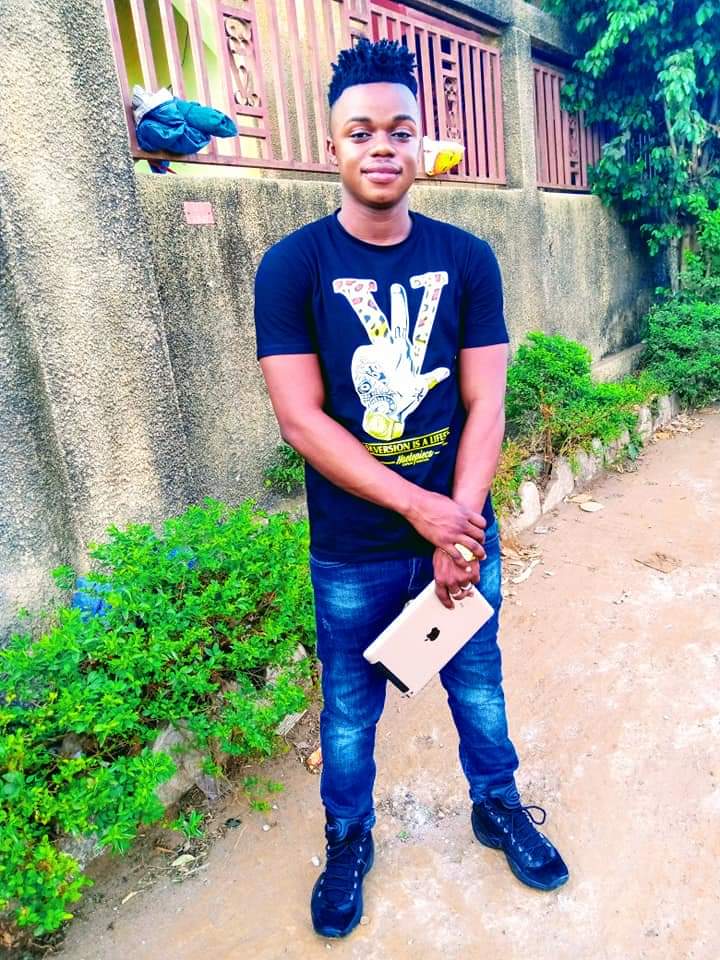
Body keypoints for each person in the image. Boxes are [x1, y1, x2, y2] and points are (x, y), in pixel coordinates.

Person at [254, 38, 568, 940]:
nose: (382, 146)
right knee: (351, 712)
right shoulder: (293, 266)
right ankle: (349, 838)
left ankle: (497, 805)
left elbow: (485, 401)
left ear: (422, 143)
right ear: (334, 147)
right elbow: (301, 420)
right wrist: (418, 508)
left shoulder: (468, 258)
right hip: (353, 550)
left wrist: (458, 527)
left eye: (400, 129)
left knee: (479, 685)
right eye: (361, 132)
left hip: (457, 531)